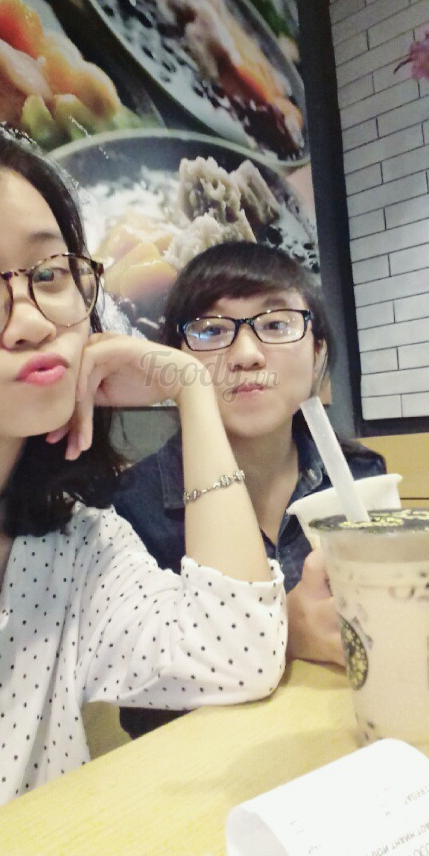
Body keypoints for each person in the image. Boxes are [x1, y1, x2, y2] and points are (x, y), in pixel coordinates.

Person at [0, 133, 287, 850]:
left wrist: (190, 390)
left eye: (50, 273)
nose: (31, 322)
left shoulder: (75, 543)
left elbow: (237, 656)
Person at [114, 242, 385, 735]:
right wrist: (284, 633)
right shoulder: (131, 507)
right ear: (175, 361)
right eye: (211, 330)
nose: (246, 355)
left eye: (276, 324)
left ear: (318, 350)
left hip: (349, 736)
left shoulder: (361, 477)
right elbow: (140, 706)